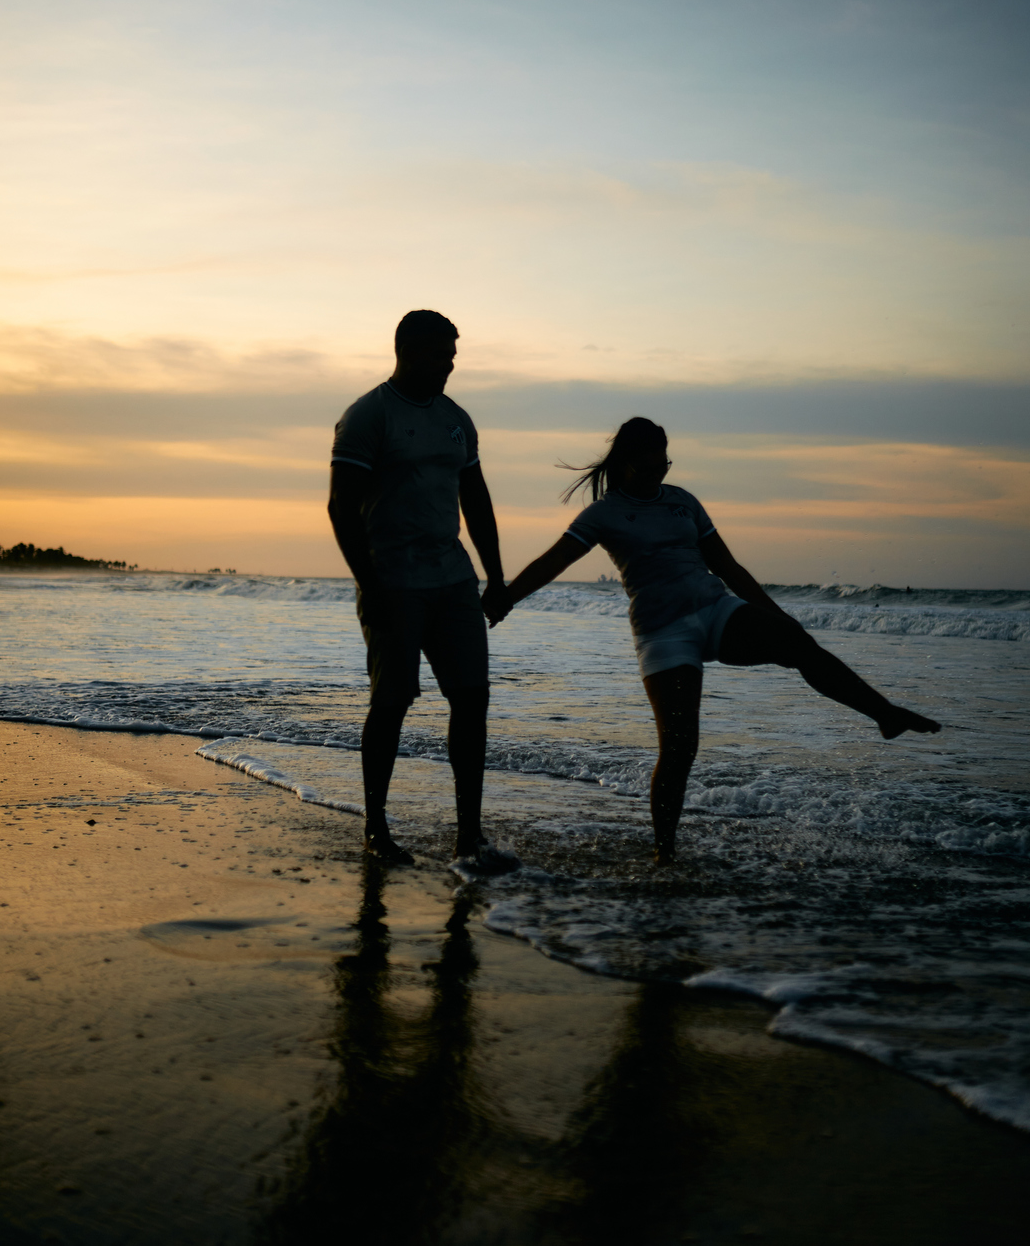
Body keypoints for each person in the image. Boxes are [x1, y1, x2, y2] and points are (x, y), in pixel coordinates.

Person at [486, 417, 940, 864]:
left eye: (662, 465)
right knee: (680, 746)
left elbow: (728, 567)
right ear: (624, 464)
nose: (656, 474)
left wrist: (778, 616)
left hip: (715, 610)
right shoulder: (603, 513)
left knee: (799, 645)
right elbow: (553, 563)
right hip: (662, 632)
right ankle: (665, 853)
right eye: (645, 467)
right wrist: (505, 598)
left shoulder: (683, 502)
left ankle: (885, 714)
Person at [328, 311, 519, 875]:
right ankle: (376, 828)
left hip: (453, 580)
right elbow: (342, 508)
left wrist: (496, 578)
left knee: (472, 699)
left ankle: (468, 836)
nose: (450, 364)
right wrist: (370, 584)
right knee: (392, 703)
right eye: (441, 354)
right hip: (392, 580)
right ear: (408, 352)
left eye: (453, 354)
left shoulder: (458, 421)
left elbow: (477, 501)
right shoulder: (368, 417)